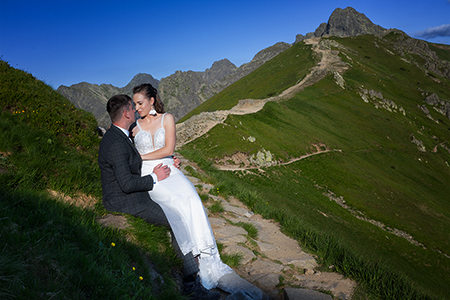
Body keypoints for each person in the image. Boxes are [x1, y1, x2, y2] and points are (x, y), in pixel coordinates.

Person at [98, 94, 220, 300]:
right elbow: (127, 184)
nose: (136, 111)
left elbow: (133, 160)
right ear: (126, 113)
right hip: (125, 200)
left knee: (175, 212)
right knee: (176, 219)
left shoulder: (119, 134)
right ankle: (191, 285)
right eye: (132, 107)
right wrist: (155, 176)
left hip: (131, 192)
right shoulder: (117, 142)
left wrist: (170, 158)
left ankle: (192, 277)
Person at [130, 84, 234, 290]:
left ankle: (204, 255)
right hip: (149, 173)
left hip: (170, 168)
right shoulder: (133, 125)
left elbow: (169, 148)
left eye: (139, 103)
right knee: (174, 203)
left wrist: (140, 156)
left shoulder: (167, 118)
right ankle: (190, 260)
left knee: (193, 199)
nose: (136, 108)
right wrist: (140, 160)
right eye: (134, 104)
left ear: (151, 100)